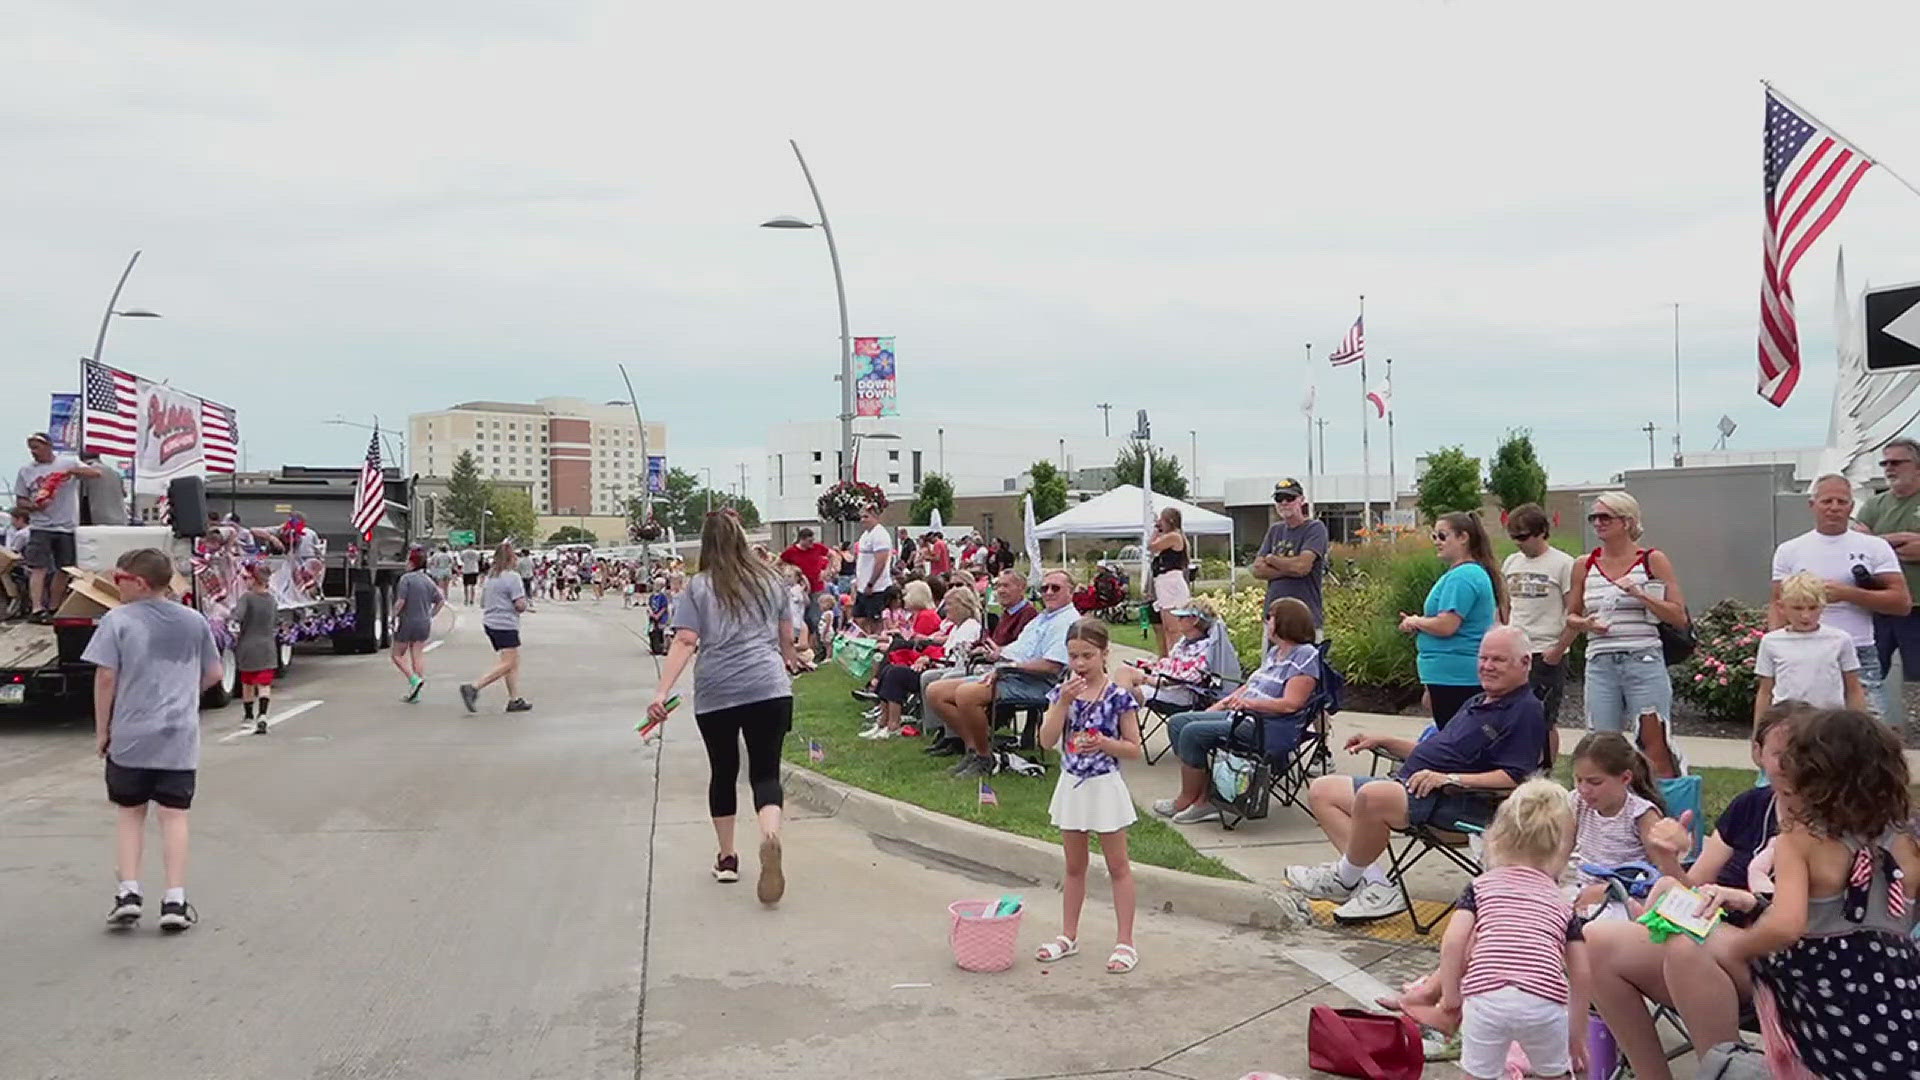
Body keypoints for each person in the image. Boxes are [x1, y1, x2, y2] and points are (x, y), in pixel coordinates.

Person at [1584, 705, 1801, 1077]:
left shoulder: (1826, 820)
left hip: (1775, 958)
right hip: (1712, 936)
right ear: (1758, 754)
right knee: (1595, 938)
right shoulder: (1750, 807)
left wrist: (1748, 901)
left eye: (1803, 752)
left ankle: (1720, 1072)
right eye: (1780, 753)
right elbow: (1694, 886)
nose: (1791, 764)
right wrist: (1669, 860)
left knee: (1685, 943)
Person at [1285, 625, 1547, 924]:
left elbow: (1516, 778)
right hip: (1417, 789)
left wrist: (1451, 779)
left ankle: (1344, 878)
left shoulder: (1525, 711)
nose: (1486, 666)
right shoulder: (1478, 702)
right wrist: (1384, 740)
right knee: (1322, 791)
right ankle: (1376, 886)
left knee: (1372, 797)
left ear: (1524, 662)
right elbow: (1434, 750)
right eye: (1483, 658)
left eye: (1498, 660)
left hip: (1459, 803)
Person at [1735, 708, 1920, 1077]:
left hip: (1820, 991)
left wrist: (1738, 946)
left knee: (1699, 949)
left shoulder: (1800, 841)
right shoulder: (1908, 838)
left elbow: (1786, 927)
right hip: (1898, 988)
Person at [647, 510, 803, 903]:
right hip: (769, 686)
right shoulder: (772, 581)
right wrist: (790, 658)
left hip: (717, 690)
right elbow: (788, 636)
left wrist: (661, 692)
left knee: (723, 771)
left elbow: (684, 640)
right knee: (766, 772)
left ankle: (728, 858)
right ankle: (769, 835)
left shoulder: (698, 587)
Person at [89, 549, 223, 933]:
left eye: (119, 579)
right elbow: (214, 673)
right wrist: (184, 695)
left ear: (140, 582)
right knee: (174, 815)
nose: (116, 586)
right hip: (178, 736)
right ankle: (175, 900)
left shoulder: (117, 621)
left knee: (130, 813)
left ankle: (129, 892)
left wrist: (103, 731)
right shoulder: (194, 621)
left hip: (131, 735)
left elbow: (105, 678)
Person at [1432, 779, 1589, 1080]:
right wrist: (1577, 1034)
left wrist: (1451, 997)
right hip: (1543, 1001)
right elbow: (1581, 972)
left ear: (1496, 836)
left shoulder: (1479, 888)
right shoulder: (1562, 901)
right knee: (1554, 1074)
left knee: (1477, 1074)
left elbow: (1454, 942)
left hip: (1485, 996)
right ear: (1560, 848)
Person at [1032, 618, 1144, 974]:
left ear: (1104, 654)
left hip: (1104, 785)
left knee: (1118, 865)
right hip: (1072, 783)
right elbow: (1046, 741)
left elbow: (1134, 748)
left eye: (1087, 656)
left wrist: (1105, 743)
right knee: (1074, 865)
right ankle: (1069, 934)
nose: (1080, 664)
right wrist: (1062, 704)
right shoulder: (1062, 692)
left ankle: (1125, 941)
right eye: (1074, 656)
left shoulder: (1119, 697)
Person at [1151, 597, 1322, 825]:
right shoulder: (1275, 654)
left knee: (1192, 733)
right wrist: (1222, 704)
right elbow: (1250, 687)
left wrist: (1251, 705)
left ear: (1286, 622)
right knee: (1178, 722)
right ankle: (1204, 796)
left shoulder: (1305, 656)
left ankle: (1194, 801)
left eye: (1269, 618)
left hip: (1265, 726)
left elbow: (1291, 704)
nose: (1266, 623)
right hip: (1241, 716)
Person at [1565, 491, 1689, 779]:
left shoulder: (1652, 560)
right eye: (1593, 517)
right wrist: (1587, 624)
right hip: (1600, 662)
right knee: (1600, 743)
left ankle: (1660, 807)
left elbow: (1678, 616)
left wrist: (1640, 594)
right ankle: (1605, 810)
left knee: (1654, 741)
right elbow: (1570, 616)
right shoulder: (1584, 564)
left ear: (1627, 521)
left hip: (1643, 658)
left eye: (1605, 516)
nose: (1598, 522)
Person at [1770, 473, 1908, 723]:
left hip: (1858, 647)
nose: (1834, 508)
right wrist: (1777, 645)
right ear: (1812, 505)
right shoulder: (1790, 550)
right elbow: (1778, 603)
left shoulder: (1875, 547)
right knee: (1802, 729)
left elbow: (1901, 603)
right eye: (1827, 501)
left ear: (1851, 506)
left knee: (1870, 732)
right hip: (1805, 648)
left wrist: (1849, 594)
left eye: (1842, 502)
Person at [924, 568, 1077, 778]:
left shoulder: (1066, 622)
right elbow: (1018, 648)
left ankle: (985, 757)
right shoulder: (1043, 618)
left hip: (1036, 682)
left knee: (966, 694)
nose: (1048, 592)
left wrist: (1009, 666)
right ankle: (976, 751)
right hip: (1008, 672)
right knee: (935, 691)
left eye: (1055, 588)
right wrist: (998, 653)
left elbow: (1052, 666)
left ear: (1071, 591)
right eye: (1044, 588)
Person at [1401, 511, 1503, 729]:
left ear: (1463, 537)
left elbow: (1447, 625)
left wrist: (1416, 621)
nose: (1437, 541)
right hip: (1449, 675)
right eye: (1434, 536)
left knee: (1455, 745)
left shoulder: (1463, 577)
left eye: (1442, 535)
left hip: (1456, 677)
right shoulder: (1465, 574)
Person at [918, 570, 1034, 753]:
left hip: (1005, 669)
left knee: (945, 679)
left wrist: (994, 651)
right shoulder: (1007, 613)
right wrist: (981, 647)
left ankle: (961, 740)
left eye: (1006, 586)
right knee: (929, 678)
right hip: (989, 662)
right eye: (998, 586)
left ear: (1021, 588)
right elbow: (992, 641)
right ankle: (946, 733)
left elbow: (1019, 649)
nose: (1001, 591)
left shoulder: (1028, 615)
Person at [1499, 502, 1577, 755]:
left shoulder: (1564, 564)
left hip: (1545, 651)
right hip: (1514, 650)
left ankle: (1546, 771)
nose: (1519, 543)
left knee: (1544, 719)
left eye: (1523, 536)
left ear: (1541, 531)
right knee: (1509, 715)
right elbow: (1505, 604)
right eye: (1514, 537)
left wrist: (1558, 650)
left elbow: (1575, 612)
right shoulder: (1511, 562)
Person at [1856, 436, 1920, 727]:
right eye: (1885, 463)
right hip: (1879, 607)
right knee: (1868, 673)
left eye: (1896, 462)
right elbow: (1858, 544)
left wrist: (1878, 544)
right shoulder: (1874, 505)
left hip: (1916, 608)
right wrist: (1897, 541)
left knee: (1917, 676)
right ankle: (1869, 731)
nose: (1889, 468)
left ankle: (1915, 732)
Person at [873, 584, 983, 740]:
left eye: (949, 605)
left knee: (896, 674)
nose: (945, 609)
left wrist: (929, 660)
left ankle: (895, 724)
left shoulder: (970, 627)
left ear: (961, 606)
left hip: (951, 669)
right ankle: (883, 720)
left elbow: (957, 657)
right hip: (940, 664)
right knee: (889, 670)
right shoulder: (958, 627)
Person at [1755, 571, 1867, 719]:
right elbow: (1765, 692)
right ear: (1782, 607)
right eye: (1798, 608)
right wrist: (1759, 734)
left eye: (1813, 608)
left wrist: (1860, 729)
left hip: (1829, 720)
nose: (1805, 616)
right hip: (1787, 719)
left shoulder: (1840, 639)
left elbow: (1853, 689)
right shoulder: (1771, 642)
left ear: (1823, 607)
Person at [14, 432, 101, 622]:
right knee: (38, 567)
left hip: (67, 525)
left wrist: (71, 472)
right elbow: (20, 500)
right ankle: (37, 609)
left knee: (65, 568)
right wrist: (35, 506)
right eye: (31, 448)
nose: (33, 452)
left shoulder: (67, 462)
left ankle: (54, 606)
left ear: (48, 446)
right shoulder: (26, 471)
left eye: (37, 447)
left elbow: (96, 473)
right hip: (40, 525)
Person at [459, 543, 531, 714]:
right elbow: (519, 604)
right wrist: (525, 605)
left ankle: (514, 699)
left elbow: (483, 602)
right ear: (511, 558)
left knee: (512, 662)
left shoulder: (491, 577)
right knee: (509, 662)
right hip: (506, 623)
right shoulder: (513, 577)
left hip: (490, 622)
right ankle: (474, 687)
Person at [1250, 478, 1330, 630]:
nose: (1284, 503)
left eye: (1290, 498)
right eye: (1280, 499)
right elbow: (1258, 570)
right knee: (1273, 655)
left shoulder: (1314, 528)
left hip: (1305, 619)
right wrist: (1289, 568)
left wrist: (1271, 559)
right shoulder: (1275, 530)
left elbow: (1302, 567)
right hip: (1274, 620)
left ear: (1301, 500)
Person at [1110, 600, 1216, 709]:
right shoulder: (1184, 643)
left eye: (1181, 617)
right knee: (1124, 673)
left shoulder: (1205, 647)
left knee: (1127, 685)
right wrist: (1151, 667)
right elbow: (1171, 664)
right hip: (1166, 686)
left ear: (1194, 620)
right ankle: (1122, 720)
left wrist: (1149, 679)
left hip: (1183, 694)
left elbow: (1192, 676)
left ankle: (1119, 720)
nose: (1177, 620)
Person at [392, 547, 443, 704]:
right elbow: (440, 600)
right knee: (418, 654)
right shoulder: (429, 581)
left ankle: (413, 680)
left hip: (407, 621)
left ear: (412, 563)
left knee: (397, 655)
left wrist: (392, 615)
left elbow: (401, 601)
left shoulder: (406, 579)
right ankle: (416, 690)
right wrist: (431, 614)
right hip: (424, 622)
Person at [233, 563, 279, 735]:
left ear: (254, 579)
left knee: (248, 683)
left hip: (248, 646)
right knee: (264, 684)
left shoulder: (247, 598)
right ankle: (263, 715)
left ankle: (248, 715)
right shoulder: (272, 600)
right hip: (267, 646)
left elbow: (237, 616)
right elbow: (276, 621)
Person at [779, 527, 832, 660]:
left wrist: (827, 570)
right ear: (802, 539)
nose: (811, 544)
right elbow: (778, 563)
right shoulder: (791, 552)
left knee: (816, 619)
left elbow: (832, 555)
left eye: (812, 540)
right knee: (801, 620)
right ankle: (803, 648)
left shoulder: (817, 548)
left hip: (817, 588)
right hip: (800, 591)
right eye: (809, 541)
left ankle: (818, 650)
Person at [1147, 507, 1191, 655]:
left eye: (1162, 520)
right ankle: (1168, 655)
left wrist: (1156, 530)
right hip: (1163, 582)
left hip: (1171, 582)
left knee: (1173, 628)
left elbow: (1152, 546)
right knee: (1166, 627)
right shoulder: (1170, 536)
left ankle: (1176, 654)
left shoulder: (1174, 536)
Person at [851, 507, 893, 634]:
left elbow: (881, 561)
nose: (862, 520)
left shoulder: (880, 535)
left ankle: (877, 644)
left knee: (875, 622)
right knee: (859, 619)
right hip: (862, 588)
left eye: (866, 517)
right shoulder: (865, 535)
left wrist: (871, 583)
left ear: (876, 517)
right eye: (861, 517)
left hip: (876, 588)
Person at [76, 451, 128, 526]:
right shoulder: (115, 473)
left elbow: (82, 500)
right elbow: (124, 494)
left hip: (99, 521)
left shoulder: (87, 472)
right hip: (121, 520)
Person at [3, 507, 30, 620]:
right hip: (28, 563)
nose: (12, 523)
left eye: (13, 520)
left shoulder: (21, 534)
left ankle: (13, 603)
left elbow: (13, 552)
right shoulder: (31, 530)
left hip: (22, 565)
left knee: (4, 573)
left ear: (20, 519)